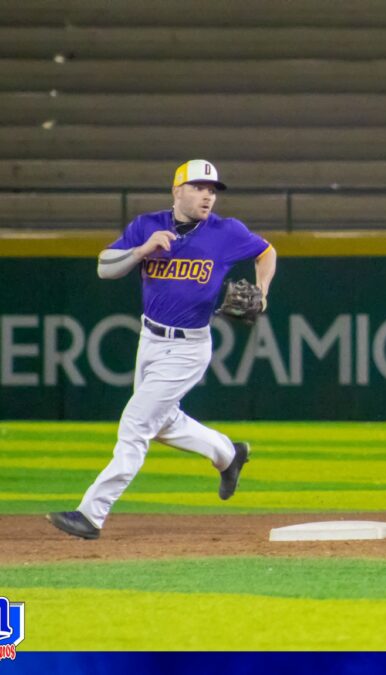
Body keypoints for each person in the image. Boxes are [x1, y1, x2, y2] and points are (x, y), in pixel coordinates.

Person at [46, 159, 277, 540]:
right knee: (162, 422)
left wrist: (263, 293)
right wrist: (141, 250)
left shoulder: (226, 232)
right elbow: (105, 267)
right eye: (199, 187)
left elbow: (266, 252)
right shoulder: (146, 226)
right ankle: (227, 453)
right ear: (177, 191)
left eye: (212, 189)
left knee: (135, 424)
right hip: (149, 339)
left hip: (188, 348)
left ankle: (91, 514)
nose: (207, 195)